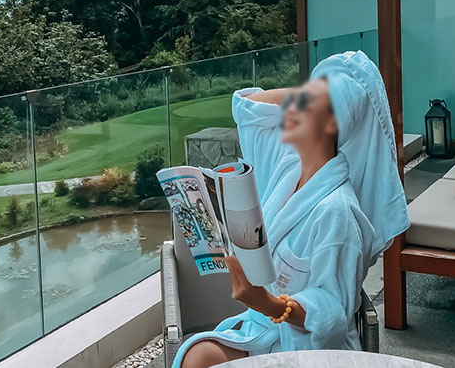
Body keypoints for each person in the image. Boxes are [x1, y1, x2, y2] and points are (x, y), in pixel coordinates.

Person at [175, 51, 409, 368]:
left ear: (331, 123)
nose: (290, 108)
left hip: (305, 346)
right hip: (264, 331)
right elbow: (249, 108)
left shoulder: (338, 211)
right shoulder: (287, 169)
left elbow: (332, 313)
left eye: (304, 104)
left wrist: (267, 303)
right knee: (196, 356)